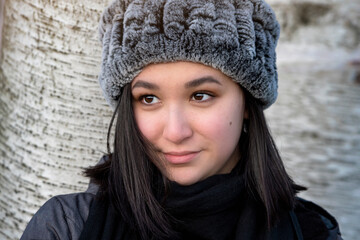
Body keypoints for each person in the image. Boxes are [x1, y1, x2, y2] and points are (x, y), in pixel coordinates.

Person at [21, 0, 342, 239]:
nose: (175, 132)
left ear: (247, 101)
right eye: (149, 98)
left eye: (200, 95)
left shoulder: (312, 232)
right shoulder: (66, 227)